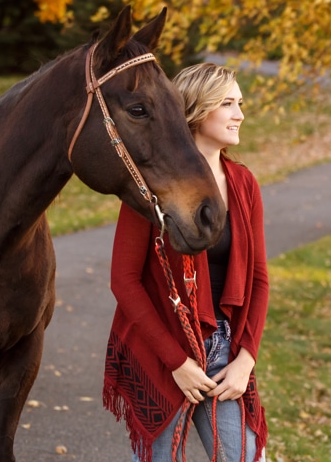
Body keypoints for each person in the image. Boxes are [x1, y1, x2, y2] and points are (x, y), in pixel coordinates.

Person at [103, 62, 269, 462]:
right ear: (196, 109)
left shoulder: (243, 183)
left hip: (224, 352)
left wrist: (245, 360)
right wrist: (176, 362)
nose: (239, 114)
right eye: (227, 103)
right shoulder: (155, 182)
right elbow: (124, 280)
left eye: (239, 103)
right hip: (162, 351)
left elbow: (260, 279)